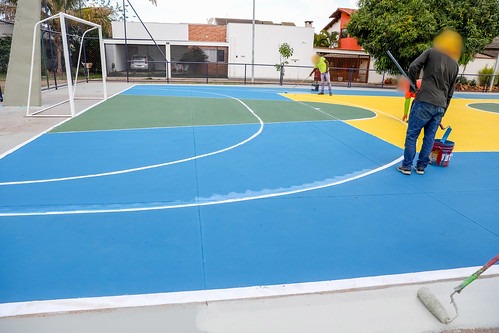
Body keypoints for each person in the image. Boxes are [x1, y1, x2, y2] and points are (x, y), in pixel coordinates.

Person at [397, 30, 462, 175]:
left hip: (424, 100)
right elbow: (450, 92)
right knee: (429, 138)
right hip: (440, 105)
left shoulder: (431, 52)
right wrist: (442, 112)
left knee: (412, 135)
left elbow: (413, 67)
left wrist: (413, 87)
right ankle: (421, 167)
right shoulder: (455, 65)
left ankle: (406, 166)